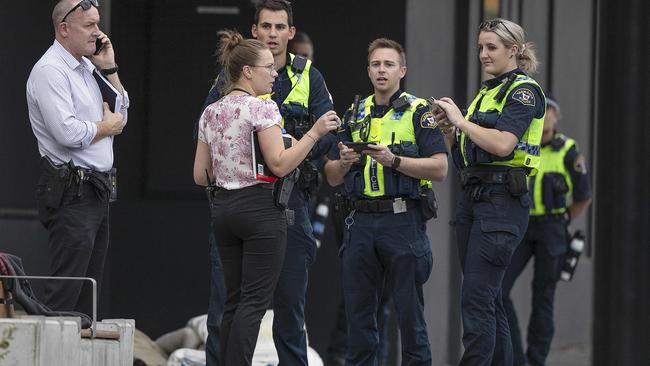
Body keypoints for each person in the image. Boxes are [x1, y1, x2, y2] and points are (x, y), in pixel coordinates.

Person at [197, 1, 337, 364]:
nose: (273, 34)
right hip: (248, 197)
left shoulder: (309, 77)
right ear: (254, 31)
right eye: (266, 26)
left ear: (291, 32)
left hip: (292, 200)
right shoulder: (229, 83)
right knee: (227, 304)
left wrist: (285, 142)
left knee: (289, 309)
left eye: (280, 27)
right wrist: (283, 144)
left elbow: (330, 136)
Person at [324, 37, 448, 365]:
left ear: (402, 70)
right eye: (376, 64)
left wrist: (394, 161)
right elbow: (333, 177)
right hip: (360, 223)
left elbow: (440, 168)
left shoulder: (419, 111)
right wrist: (346, 161)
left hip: (402, 222)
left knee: (410, 319)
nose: (382, 70)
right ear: (368, 70)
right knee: (360, 322)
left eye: (389, 64)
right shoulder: (355, 111)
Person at [432, 18, 546, 365]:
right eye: (480, 47)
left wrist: (463, 120)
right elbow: (468, 159)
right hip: (476, 198)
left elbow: (503, 144)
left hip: (502, 204)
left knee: (477, 300)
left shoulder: (523, 91)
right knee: (490, 300)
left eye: (491, 47)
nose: (483, 54)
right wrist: (451, 132)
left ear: (514, 50)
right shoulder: (488, 90)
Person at [26, 0, 129, 318]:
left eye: (98, 24)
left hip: (95, 189)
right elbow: (67, 133)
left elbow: (122, 109)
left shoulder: (87, 65)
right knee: (66, 290)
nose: (98, 33)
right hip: (72, 189)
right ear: (64, 29)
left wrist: (109, 68)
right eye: (89, 25)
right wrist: (106, 126)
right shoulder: (50, 70)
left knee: (89, 290)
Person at [502, 96, 592, 366]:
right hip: (523, 225)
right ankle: (516, 358)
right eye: (541, 110)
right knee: (499, 289)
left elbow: (583, 196)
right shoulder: (520, 145)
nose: (545, 115)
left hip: (552, 228)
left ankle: (535, 359)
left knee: (543, 296)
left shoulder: (568, 150)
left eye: (550, 110)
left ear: (556, 116)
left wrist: (564, 218)